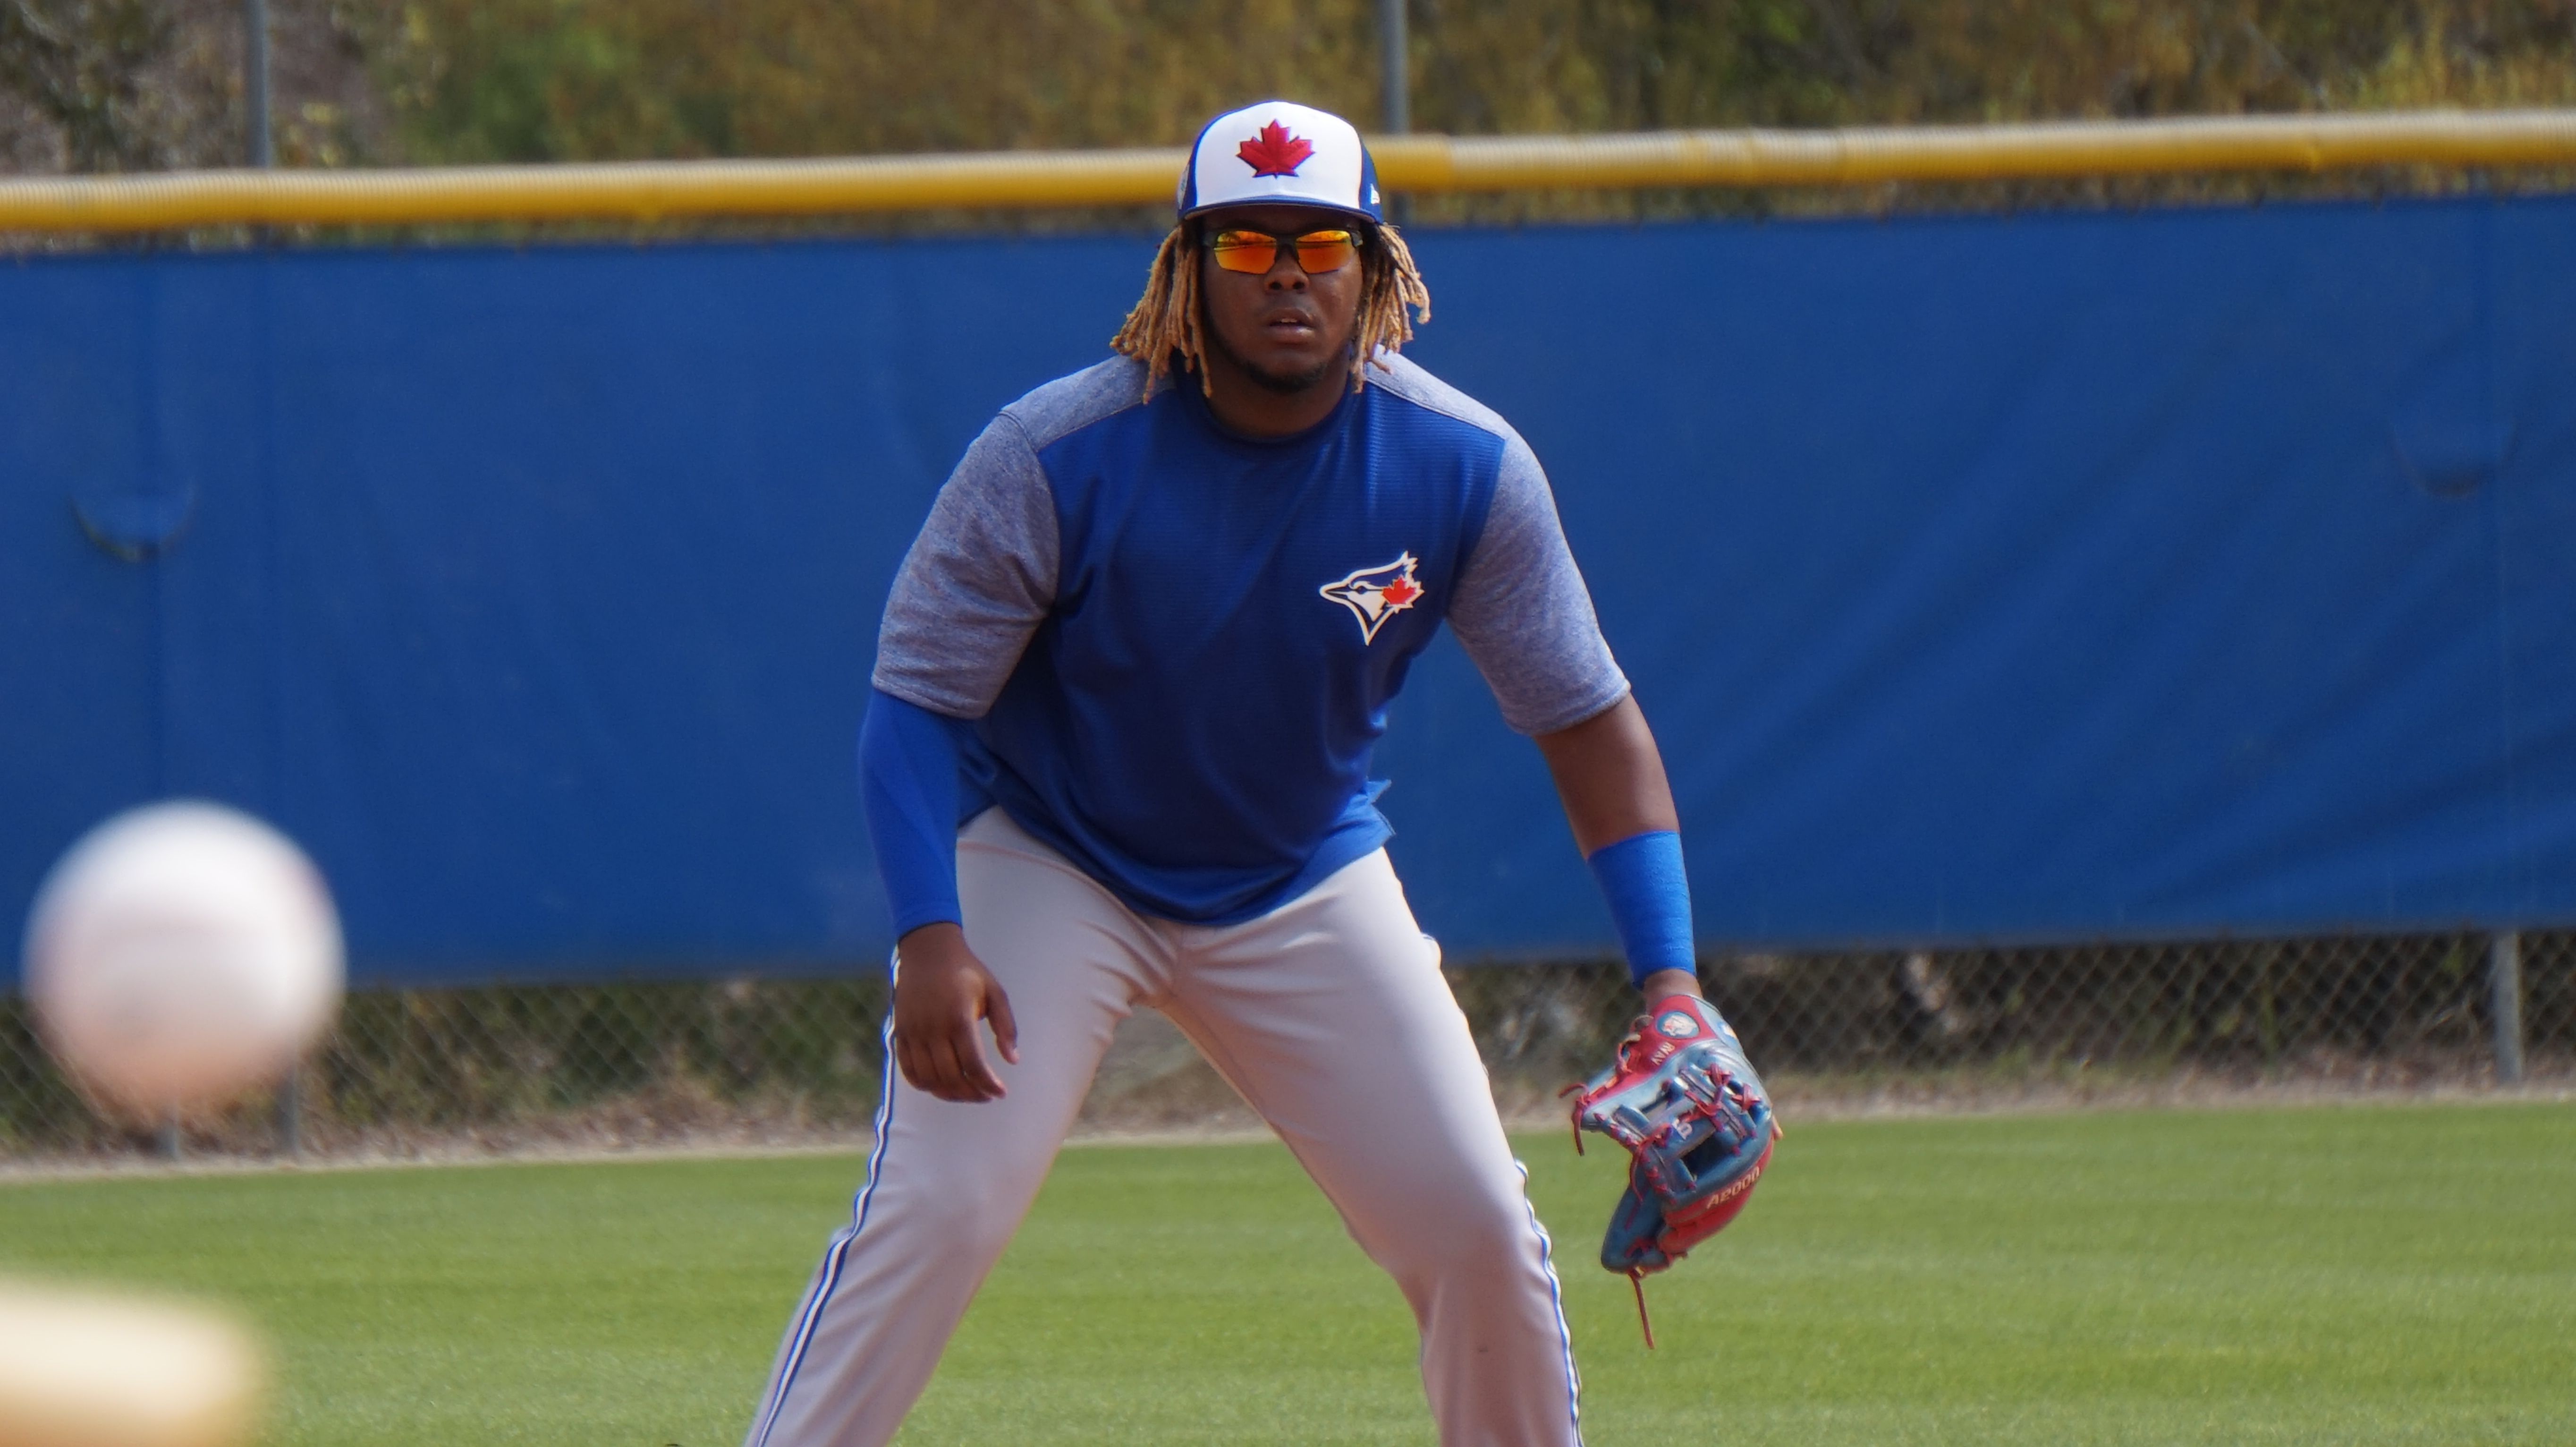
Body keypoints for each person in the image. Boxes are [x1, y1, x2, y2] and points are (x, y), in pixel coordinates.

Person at [745, 99, 1730, 1447]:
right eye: (1248, 244)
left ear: (1376, 271)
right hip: (1053, 858)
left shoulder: (1463, 468)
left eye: (1321, 244)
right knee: (938, 1206)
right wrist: (930, 932)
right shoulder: (1054, 454)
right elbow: (916, 707)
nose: (1286, 275)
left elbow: (1589, 725)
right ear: (1185, 273)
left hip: (1301, 874)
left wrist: (1671, 983)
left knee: (1480, 1226)